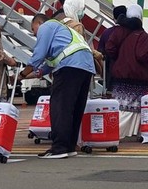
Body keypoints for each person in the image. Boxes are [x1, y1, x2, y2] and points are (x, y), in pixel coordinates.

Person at [19, 14, 95, 159]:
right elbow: (48, 64)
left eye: (33, 29)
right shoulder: (63, 32)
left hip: (69, 67)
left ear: (39, 23)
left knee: (60, 107)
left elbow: (38, 55)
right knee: (75, 108)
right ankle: (69, 146)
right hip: (85, 66)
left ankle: (59, 147)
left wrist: (22, 74)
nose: (35, 34)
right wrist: (36, 73)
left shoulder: (47, 26)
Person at [107, 5, 148, 138]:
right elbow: (141, 55)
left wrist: (121, 57)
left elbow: (109, 48)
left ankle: (111, 130)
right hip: (137, 75)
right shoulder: (141, 34)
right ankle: (121, 132)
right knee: (134, 107)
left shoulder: (119, 30)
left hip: (120, 73)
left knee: (120, 106)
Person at [98, 5, 127, 93]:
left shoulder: (106, 32)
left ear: (113, 18)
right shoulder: (130, 32)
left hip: (110, 74)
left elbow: (100, 53)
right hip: (126, 73)